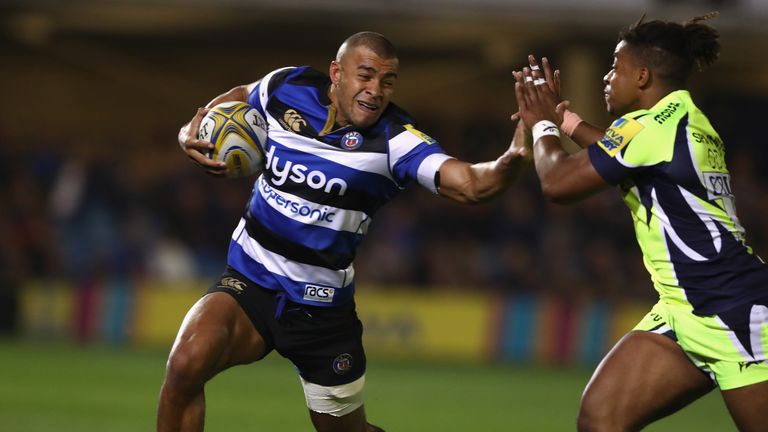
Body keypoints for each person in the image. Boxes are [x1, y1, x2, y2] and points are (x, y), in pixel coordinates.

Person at [159, 31, 530, 432]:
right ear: (336, 73)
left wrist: (513, 157)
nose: (375, 91)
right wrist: (188, 133)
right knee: (185, 365)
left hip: (321, 314)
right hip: (251, 282)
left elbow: (472, 184)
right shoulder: (288, 86)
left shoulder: (396, 139)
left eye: (386, 82)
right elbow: (237, 96)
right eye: (365, 76)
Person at [513, 13, 768, 432]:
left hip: (731, 312)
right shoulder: (683, 118)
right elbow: (620, 155)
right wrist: (565, 120)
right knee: (601, 418)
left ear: (644, 75)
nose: (607, 77)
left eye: (616, 67)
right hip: (685, 308)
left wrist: (539, 123)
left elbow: (558, 184)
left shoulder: (648, 129)